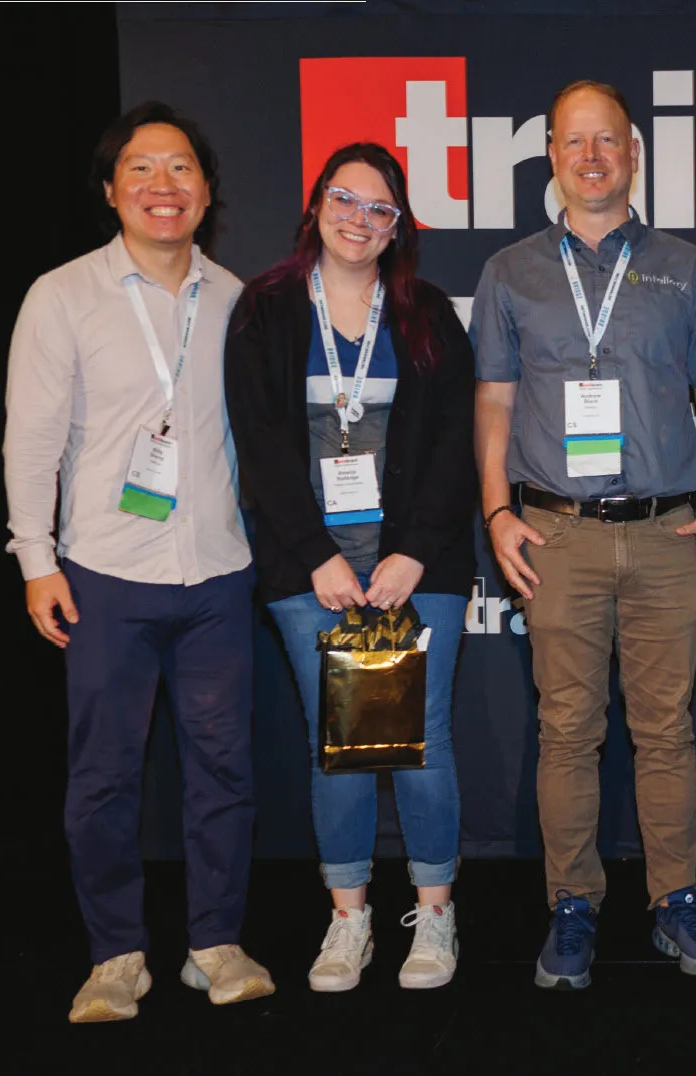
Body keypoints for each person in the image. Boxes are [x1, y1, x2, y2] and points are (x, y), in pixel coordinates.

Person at [5, 101, 274, 1022]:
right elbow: (31, 439)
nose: (165, 186)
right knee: (106, 774)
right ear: (112, 190)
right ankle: (115, 953)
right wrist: (36, 560)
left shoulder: (238, 299)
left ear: (207, 191)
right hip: (106, 574)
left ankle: (216, 941)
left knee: (223, 769)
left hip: (215, 573)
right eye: (144, 170)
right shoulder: (62, 294)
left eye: (183, 169)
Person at [472, 80, 696, 991]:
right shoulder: (511, 272)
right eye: (574, 142)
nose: (592, 157)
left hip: (667, 532)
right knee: (566, 733)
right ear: (550, 152)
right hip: (558, 535)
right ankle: (572, 907)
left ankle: (676, 900)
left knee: (667, 732)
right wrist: (498, 511)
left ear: (632, 153)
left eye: (609, 141)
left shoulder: (684, 267)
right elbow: (496, 399)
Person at [225, 143, 476, 993]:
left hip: (419, 566)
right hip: (313, 572)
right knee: (339, 746)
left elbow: (453, 446)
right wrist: (318, 557)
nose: (361, 220)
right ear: (316, 206)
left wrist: (410, 552)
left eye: (380, 209)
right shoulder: (264, 310)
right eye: (346, 199)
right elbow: (257, 447)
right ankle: (349, 921)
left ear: (399, 226)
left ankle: (434, 916)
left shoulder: (426, 312)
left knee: (420, 741)